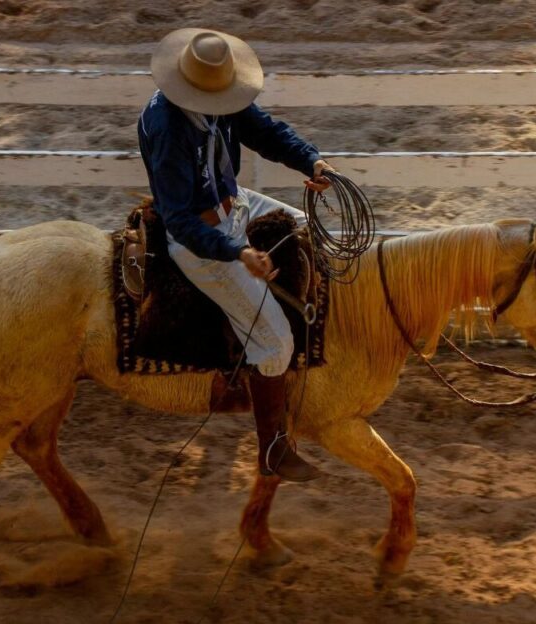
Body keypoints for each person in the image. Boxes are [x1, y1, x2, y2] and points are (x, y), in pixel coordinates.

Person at [138, 28, 334, 482]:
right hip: (199, 236)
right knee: (276, 341)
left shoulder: (218, 97)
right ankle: (272, 448)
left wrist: (312, 162)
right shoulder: (167, 128)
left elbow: (264, 131)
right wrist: (237, 251)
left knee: (307, 230)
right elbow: (180, 221)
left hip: (236, 202)